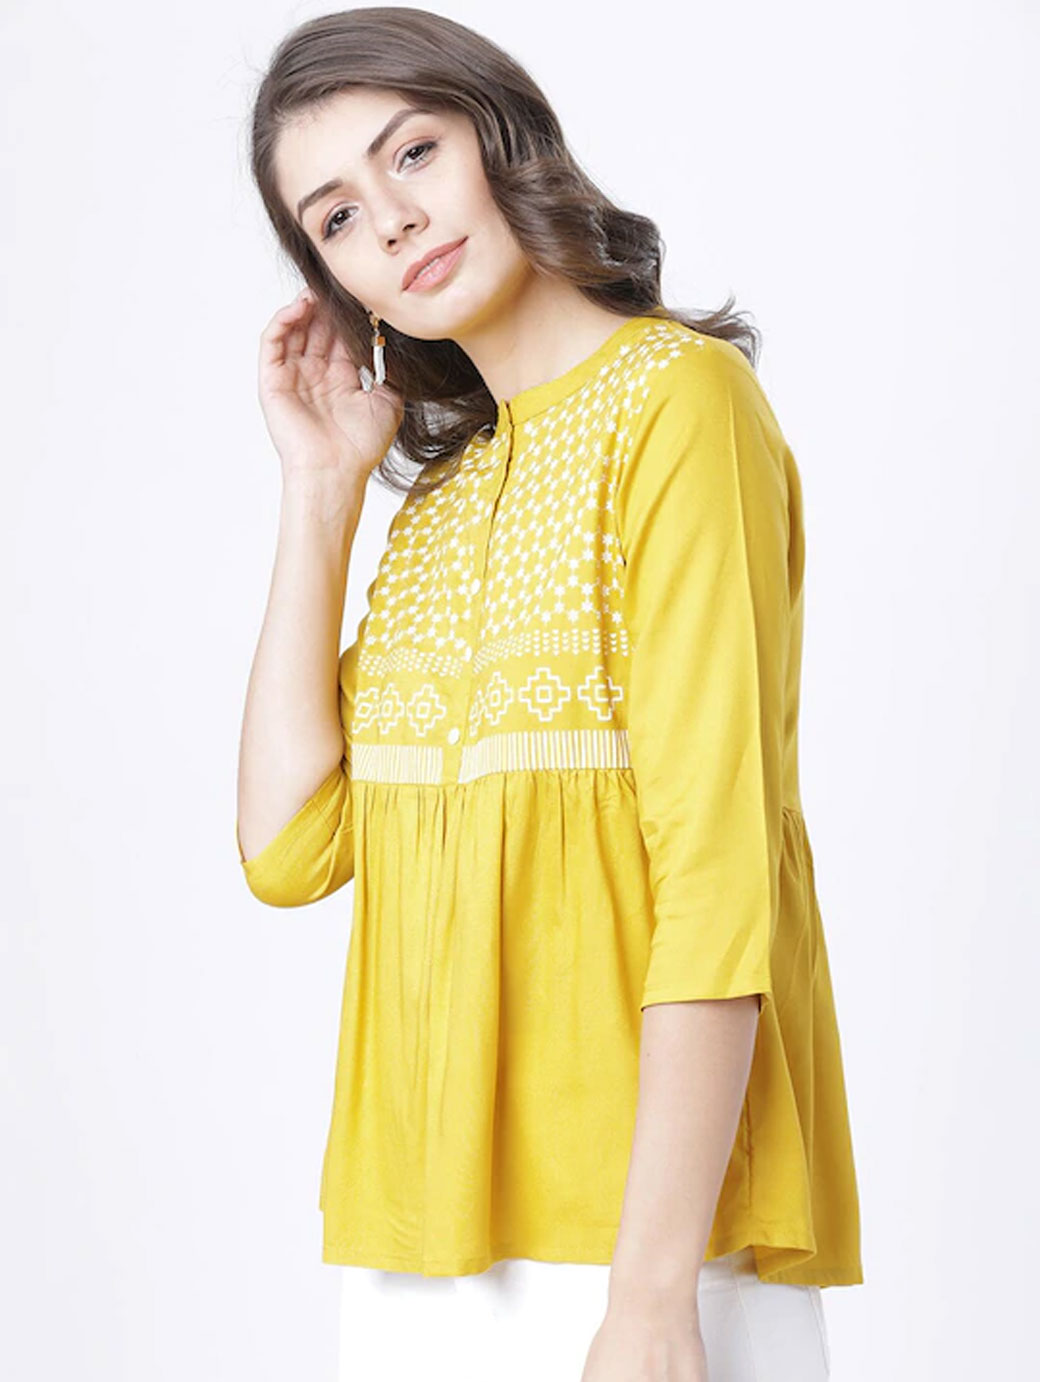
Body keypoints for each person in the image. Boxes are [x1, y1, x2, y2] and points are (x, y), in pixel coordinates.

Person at [235, 8, 863, 1380]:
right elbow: (287, 846)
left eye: (413, 152)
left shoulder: (679, 404)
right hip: (417, 1245)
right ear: (340, 284)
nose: (392, 221)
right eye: (336, 218)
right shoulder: (440, 501)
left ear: (500, 134)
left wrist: (648, 1298)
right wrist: (322, 491)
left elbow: (716, 875)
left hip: (646, 1247)